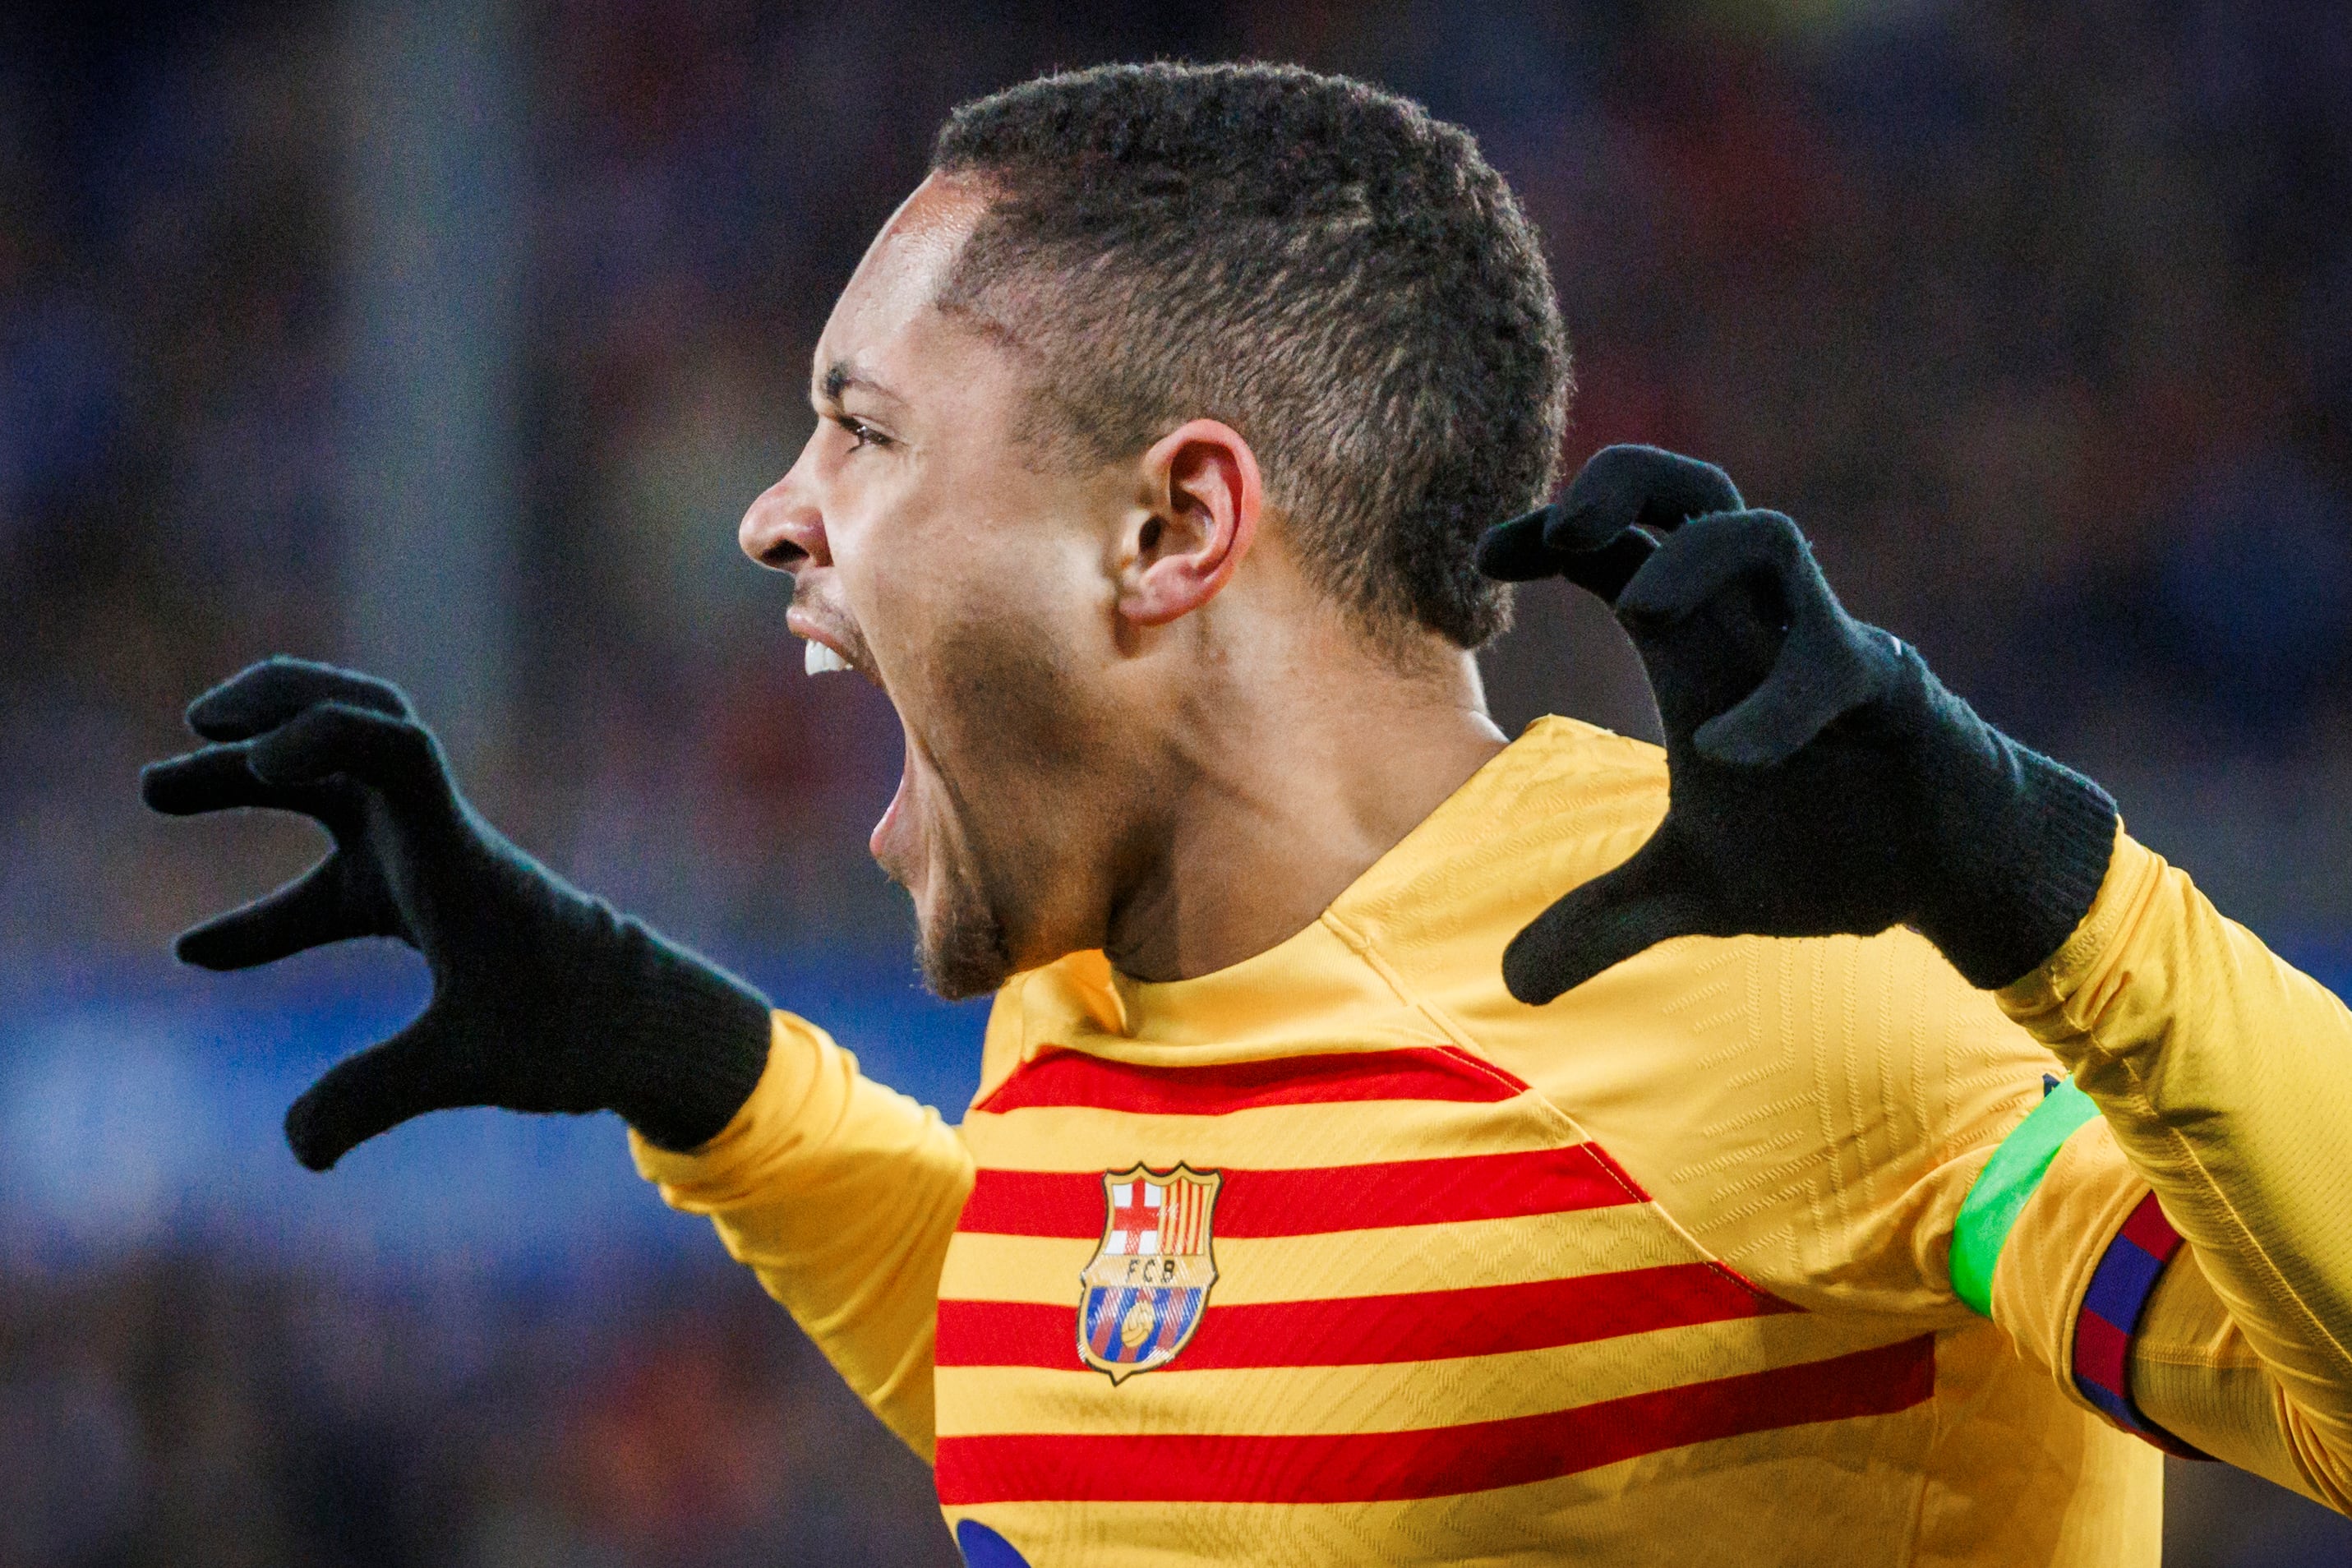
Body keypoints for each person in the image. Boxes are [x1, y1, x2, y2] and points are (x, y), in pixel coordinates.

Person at [143, 62, 2352, 1567]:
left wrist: (2050, 896)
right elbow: (1181, 1398)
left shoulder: (1755, 992)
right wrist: (706, 1081)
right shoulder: (1095, 982)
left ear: (1171, 524)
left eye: (865, 430)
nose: (770, 511)